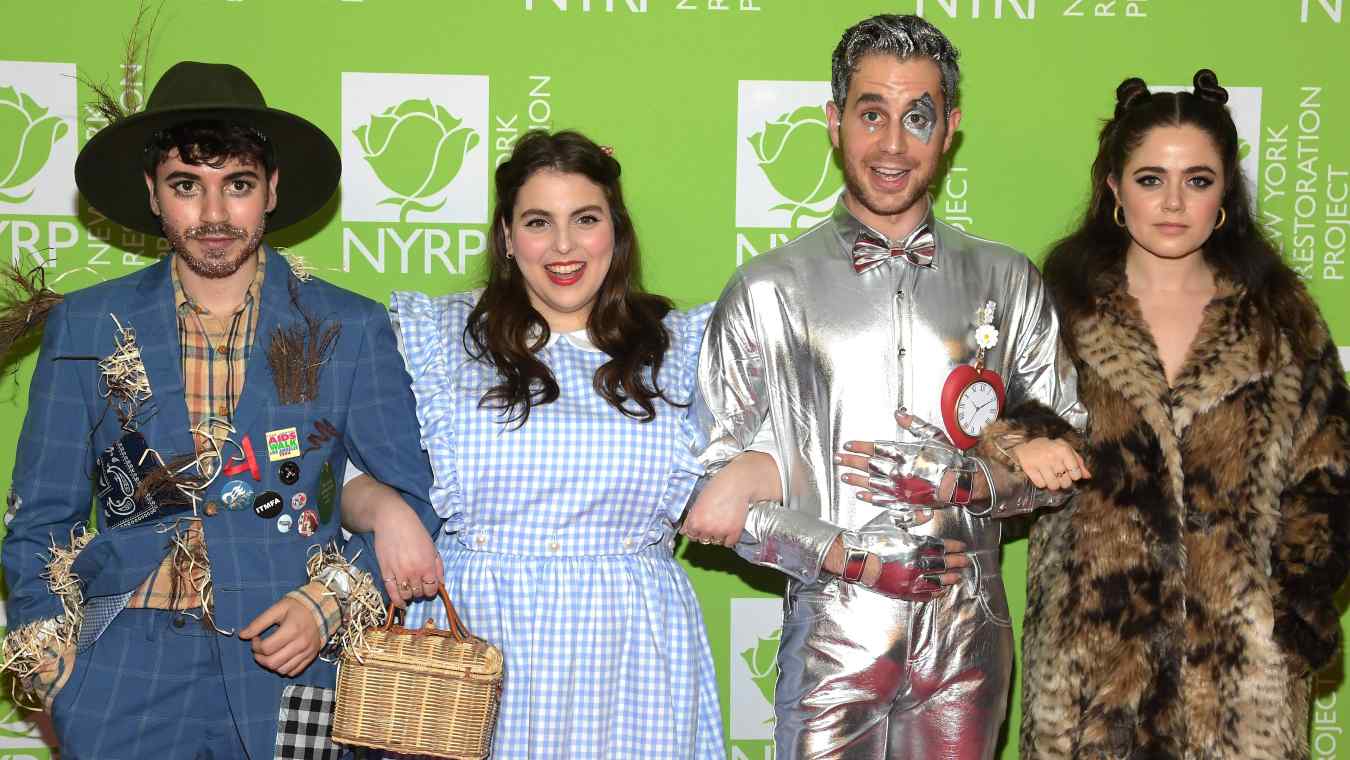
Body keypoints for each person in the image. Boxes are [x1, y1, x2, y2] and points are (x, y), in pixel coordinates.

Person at [0, 61, 441, 759]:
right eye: (186, 186)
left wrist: (327, 603)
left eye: (237, 184)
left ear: (272, 191)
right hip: (122, 678)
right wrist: (55, 671)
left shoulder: (348, 326)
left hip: (292, 665)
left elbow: (413, 495)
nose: (212, 215)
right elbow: (40, 516)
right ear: (153, 194)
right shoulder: (89, 324)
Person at [682, 13, 1086, 759]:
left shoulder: (1006, 279)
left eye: (917, 117)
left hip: (969, 636)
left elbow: (1062, 456)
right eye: (872, 114)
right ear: (834, 121)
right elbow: (712, 493)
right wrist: (849, 556)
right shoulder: (768, 289)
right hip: (833, 634)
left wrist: (964, 483)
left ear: (951, 128)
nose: (893, 144)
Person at [344, 130, 737, 758]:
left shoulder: (683, 346)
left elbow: (804, 429)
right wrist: (385, 510)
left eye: (586, 219)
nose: (563, 246)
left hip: (629, 651)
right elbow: (336, 464)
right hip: (475, 645)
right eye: (537, 222)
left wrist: (754, 470)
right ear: (506, 236)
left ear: (616, 230)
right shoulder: (436, 337)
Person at [1019, 70, 1350, 760]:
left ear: (1225, 192)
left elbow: (1330, 476)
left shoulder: (1280, 322)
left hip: (1240, 686)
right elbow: (990, 427)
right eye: (1150, 179)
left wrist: (1295, 612)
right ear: (1114, 188)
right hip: (1090, 680)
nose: (1173, 203)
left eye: (1198, 180)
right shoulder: (1054, 312)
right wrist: (1016, 440)